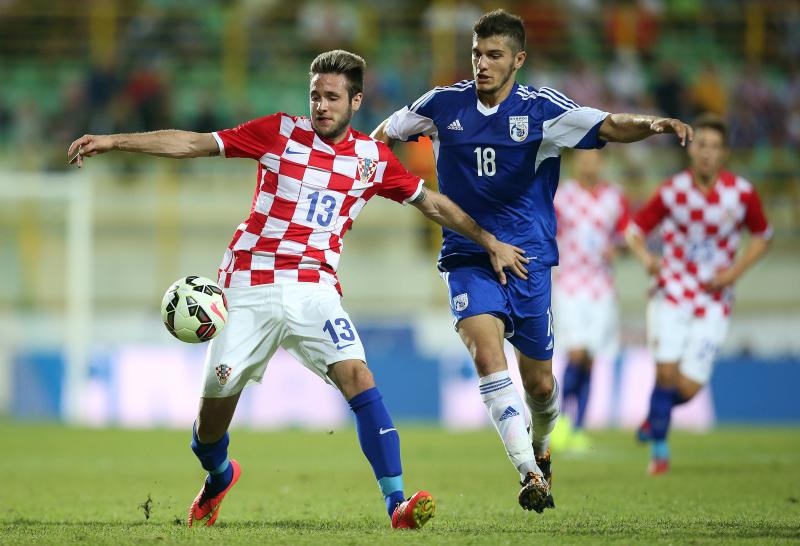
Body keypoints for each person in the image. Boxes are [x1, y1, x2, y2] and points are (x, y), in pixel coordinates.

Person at [67, 49, 529, 529]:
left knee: (359, 377)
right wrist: (112, 140)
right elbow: (191, 143)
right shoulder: (279, 132)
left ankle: (396, 504)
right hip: (245, 288)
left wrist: (489, 241)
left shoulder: (372, 159)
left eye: (332, 97)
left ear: (356, 101)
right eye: (315, 95)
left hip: (314, 289)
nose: (321, 106)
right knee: (207, 432)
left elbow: (431, 203)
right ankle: (219, 474)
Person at [371, 9, 692, 513]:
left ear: (518, 59)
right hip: (466, 254)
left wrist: (652, 124)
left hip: (528, 260)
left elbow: (607, 124)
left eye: (494, 55)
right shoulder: (442, 104)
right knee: (484, 353)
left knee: (540, 384)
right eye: (476, 53)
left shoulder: (542, 111)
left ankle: (542, 444)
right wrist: (382, 177)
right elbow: (385, 133)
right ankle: (529, 473)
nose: (482, 63)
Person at [625, 114, 771, 475]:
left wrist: (733, 273)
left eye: (714, 147)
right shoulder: (673, 191)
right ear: (692, 150)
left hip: (714, 300)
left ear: (725, 153)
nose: (707, 153)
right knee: (666, 375)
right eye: (701, 145)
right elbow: (633, 230)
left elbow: (763, 236)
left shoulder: (741, 194)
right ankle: (659, 451)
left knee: (688, 389)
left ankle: (653, 416)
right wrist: (647, 259)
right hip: (671, 292)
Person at [550, 149, 630, 453]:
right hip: (570, 284)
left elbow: (626, 235)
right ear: (575, 162)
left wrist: (618, 250)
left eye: (594, 158)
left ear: (602, 163)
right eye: (584, 158)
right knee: (577, 353)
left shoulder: (615, 198)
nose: (589, 163)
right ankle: (560, 422)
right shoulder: (562, 197)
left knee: (591, 357)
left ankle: (579, 428)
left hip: (602, 287)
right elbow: (548, 231)